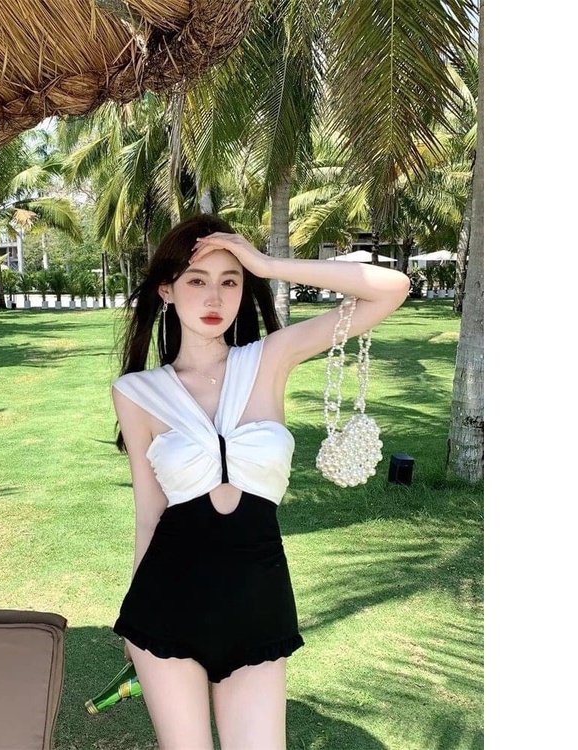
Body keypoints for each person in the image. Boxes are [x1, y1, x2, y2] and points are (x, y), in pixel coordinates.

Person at [110, 214, 409, 749]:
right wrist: (132, 625)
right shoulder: (137, 392)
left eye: (230, 281)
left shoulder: (269, 359)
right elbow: (149, 515)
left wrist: (266, 264)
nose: (214, 297)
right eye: (197, 280)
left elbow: (391, 288)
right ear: (167, 290)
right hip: (165, 601)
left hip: (258, 603)